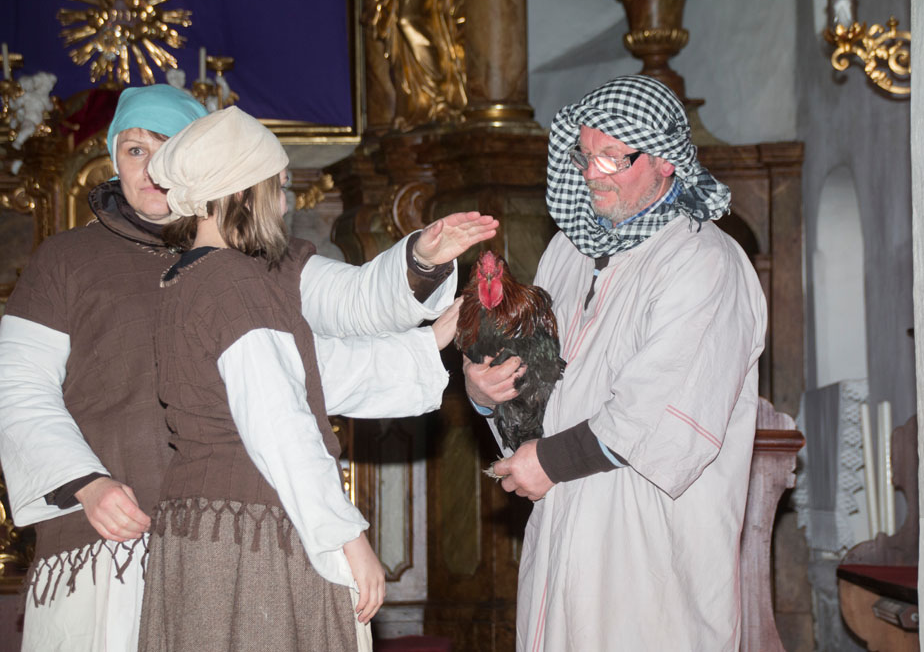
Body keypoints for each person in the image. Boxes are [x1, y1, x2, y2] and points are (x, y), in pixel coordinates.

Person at [0, 85, 494, 652]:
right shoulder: (67, 260)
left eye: (168, 148)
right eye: (136, 150)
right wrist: (87, 483)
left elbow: (326, 341)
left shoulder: (256, 262)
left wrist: (422, 264)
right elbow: (17, 386)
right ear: (112, 159)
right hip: (113, 542)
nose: (153, 168)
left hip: (224, 534)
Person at [463, 75, 768, 651]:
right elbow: (543, 391)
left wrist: (548, 461)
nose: (591, 173)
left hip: (646, 547)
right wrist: (487, 395)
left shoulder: (702, 261)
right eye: (584, 156)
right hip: (561, 532)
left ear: (665, 161)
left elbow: (659, 415)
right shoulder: (568, 251)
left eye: (612, 157)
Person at [137, 105, 457, 651]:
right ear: (243, 191)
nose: (284, 204)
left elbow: (303, 375)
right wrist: (349, 536)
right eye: (278, 187)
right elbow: (281, 423)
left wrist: (429, 344)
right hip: (251, 531)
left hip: (199, 528)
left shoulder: (184, 278)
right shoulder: (237, 281)